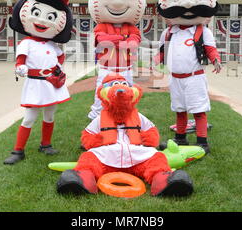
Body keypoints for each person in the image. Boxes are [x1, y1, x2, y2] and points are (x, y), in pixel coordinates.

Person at [56, 73, 194, 197]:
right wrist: (96, 141)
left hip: (137, 154)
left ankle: (164, 181)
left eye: (124, 85)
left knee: (157, 157)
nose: (121, 89)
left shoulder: (138, 117)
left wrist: (148, 139)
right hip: (107, 154)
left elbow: (152, 132)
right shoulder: (100, 118)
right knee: (88, 157)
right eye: (115, 85)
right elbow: (88, 136)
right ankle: (83, 180)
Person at [3, 0, 73, 165]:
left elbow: (60, 57)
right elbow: (20, 61)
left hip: (51, 83)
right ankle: (18, 150)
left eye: (51, 17)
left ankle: (46, 144)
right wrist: (20, 68)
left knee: (50, 115)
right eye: (37, 14)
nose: (43, 21)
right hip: (35, 83)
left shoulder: (52, 45)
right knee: (29, 118)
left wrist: (57, 68)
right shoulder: (26, 43)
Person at [155, 0, 222, 154]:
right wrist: (157, 59)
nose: (186, 6)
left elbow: (210, 48)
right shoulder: (170, 31)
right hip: (175, 77)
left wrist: (216, 59)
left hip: (194, 77)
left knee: (199, 109)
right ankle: (181, 138)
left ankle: (202, 142)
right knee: (179, 109)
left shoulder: (202, 31)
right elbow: (163, 50)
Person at [87, 0, 147, 120]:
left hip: (126, 69)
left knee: (127, 97)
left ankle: (124, 122)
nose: (118, 3)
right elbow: (102, 40)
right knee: (101, 96)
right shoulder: (101, 26)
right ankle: (96, 124)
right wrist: (120, 40)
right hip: (107, 69)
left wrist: (124, 42)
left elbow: (134, 42)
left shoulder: (131, 27)